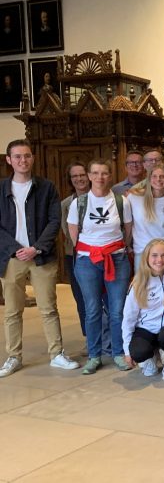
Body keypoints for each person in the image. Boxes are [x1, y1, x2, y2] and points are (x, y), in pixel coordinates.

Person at [0, 140, 79, 378]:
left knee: (48, 308)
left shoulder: (47, 187)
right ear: (8, 160)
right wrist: (17, 249)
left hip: (41, 257)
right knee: (13, 311)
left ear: (32, 158)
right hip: (11, 257)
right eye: (17, 157)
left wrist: (35, 248)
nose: (23, 161)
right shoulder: (1, 188)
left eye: (27, 156)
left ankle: (56, 353)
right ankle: (13, 356)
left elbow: (55, 221)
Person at [67, 159, 133, 375]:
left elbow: (128, 229)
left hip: (117, 259)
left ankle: (119, 352)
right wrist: (92, 248)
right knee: (92, 309)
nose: (100, 177)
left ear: (110, 176)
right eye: (95, 173)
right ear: (89, 175)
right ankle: (94, 355)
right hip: (88, 260)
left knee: (117, 310)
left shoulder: (121, 201)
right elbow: (74, 232)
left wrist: (112, 247)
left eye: (104, 173)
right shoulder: (80, 202)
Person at [122, 239, 164, 380]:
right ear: (147, 258)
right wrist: (127, 351)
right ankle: (150, 358)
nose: (159, 260)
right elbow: (128, 318)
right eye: (154, 255)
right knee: (138, 352)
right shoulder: (138, 283)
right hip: (147, 328)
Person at [127, 165, 164, 270]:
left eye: (162, 176)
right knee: (143, 286)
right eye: (154, 176)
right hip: (142, 251)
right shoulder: (134, 198)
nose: (158, 179)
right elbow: (128, 224)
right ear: (149, 179)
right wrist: (127, 245)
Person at [60, 162, 91, 336]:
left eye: (82, 175)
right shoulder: (65, 204)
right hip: (75, 255)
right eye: (75, 176)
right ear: (70, 180)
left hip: (102, 253)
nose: (79, 179)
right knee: (81, 298)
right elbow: (68, 233)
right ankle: (89, 338)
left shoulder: (103, 198)